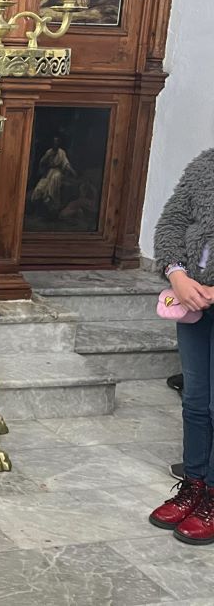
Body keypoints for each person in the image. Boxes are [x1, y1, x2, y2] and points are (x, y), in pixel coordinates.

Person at [149, 147, 214, 544]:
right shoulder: (206, 165)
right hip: (192, 301)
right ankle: (194, 485)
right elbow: (172, 221)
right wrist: (177, 275)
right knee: (195, 401)